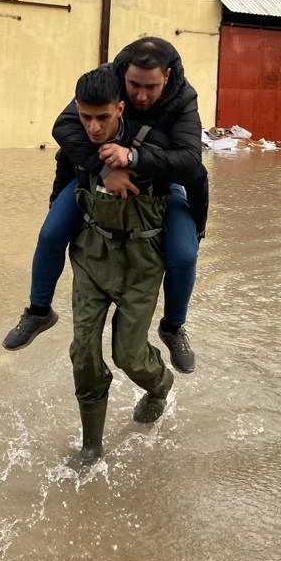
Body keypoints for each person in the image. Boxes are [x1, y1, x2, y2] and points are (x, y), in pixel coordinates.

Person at [3, 37, 208, 372]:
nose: (141, 95)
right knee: (51, 233)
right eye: (134, 85)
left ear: (167, 77)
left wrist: (134, 157)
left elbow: (190, 163)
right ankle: (38, 311)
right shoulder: (105, 82)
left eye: (151, 87)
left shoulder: (184, 99)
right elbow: (65, 127)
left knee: (185, 254)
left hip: (161, 182)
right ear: (122, 75)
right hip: (93, 174)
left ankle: (173, 327)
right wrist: (104, 169)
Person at [65, 67, 175, 470]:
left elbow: (189, 171)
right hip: (92, 259)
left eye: (103, 118)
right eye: (85, 117)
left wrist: (134, 164)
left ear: (120, 108)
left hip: (141, 266)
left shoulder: (153, 144)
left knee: (129, 354)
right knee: (83, 351)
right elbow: (63, 184)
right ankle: (91, 446)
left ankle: (160, 382)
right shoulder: (77, 144)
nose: (94, 128)